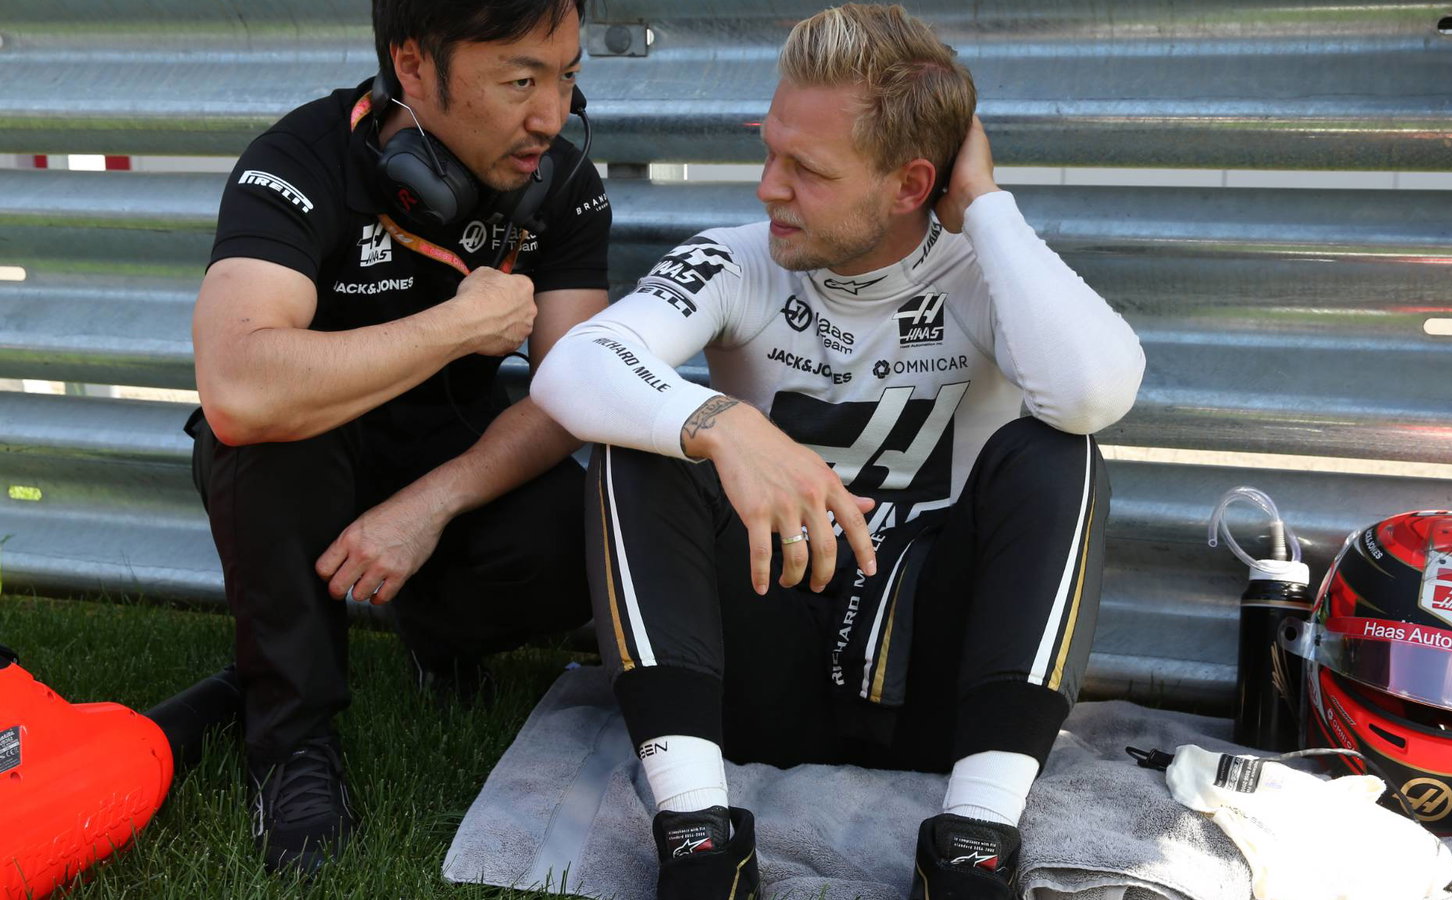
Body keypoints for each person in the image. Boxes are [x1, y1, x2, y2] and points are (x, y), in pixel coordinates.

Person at [530, 4, 1145, 897]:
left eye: (807, 170)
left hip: (940, 695)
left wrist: (983, 207)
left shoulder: (986, 276)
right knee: (640, 443)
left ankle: (975, 842)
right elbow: (571, 366)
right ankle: (698, 836)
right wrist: (726, 424)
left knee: (1062, 451)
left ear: (910, 185)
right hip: (761, 682)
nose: (767, 189)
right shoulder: (740, 260)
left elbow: (1095, 390)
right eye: (769, 151)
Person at [188, 0, 608, 876]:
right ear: (413, 65)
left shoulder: (560, 179)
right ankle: (291, 742)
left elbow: (575, 391)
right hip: (309, 453)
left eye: (568, 76)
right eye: (521, 80)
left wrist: (431, 504)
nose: (551, 114)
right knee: (263, 444)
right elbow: (237, 387)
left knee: (584, 530)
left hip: (451, 453)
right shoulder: (299, 160)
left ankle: (439, 637)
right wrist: (456, 328)